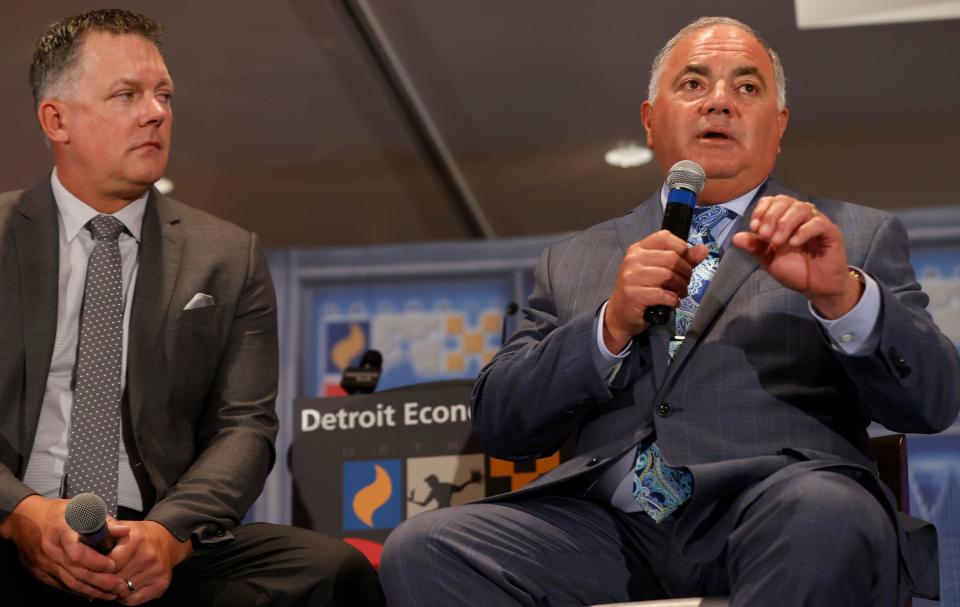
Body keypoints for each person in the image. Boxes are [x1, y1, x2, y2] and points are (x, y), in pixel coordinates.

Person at [380, 16, 959, 607]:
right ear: (650, 120)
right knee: (428, 547)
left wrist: (843, 296)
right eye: (692, 84)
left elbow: (933, 401)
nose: (719, 103)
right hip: (606, 535)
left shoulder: (850, 235)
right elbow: (503, 423)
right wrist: (609, 325)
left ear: (778, 126)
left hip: (779, 509)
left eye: (748, 87)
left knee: (828, 509)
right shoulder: (575, 258)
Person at [0, 9, 383, 606]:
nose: (156, 112)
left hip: (157, 533)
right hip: (12, 520)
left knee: (328, 570)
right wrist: (19, 512)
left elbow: (246, 429)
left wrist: (168, 534)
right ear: (57, 119)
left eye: (163, 95)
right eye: (126, 94)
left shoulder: (228, 255)